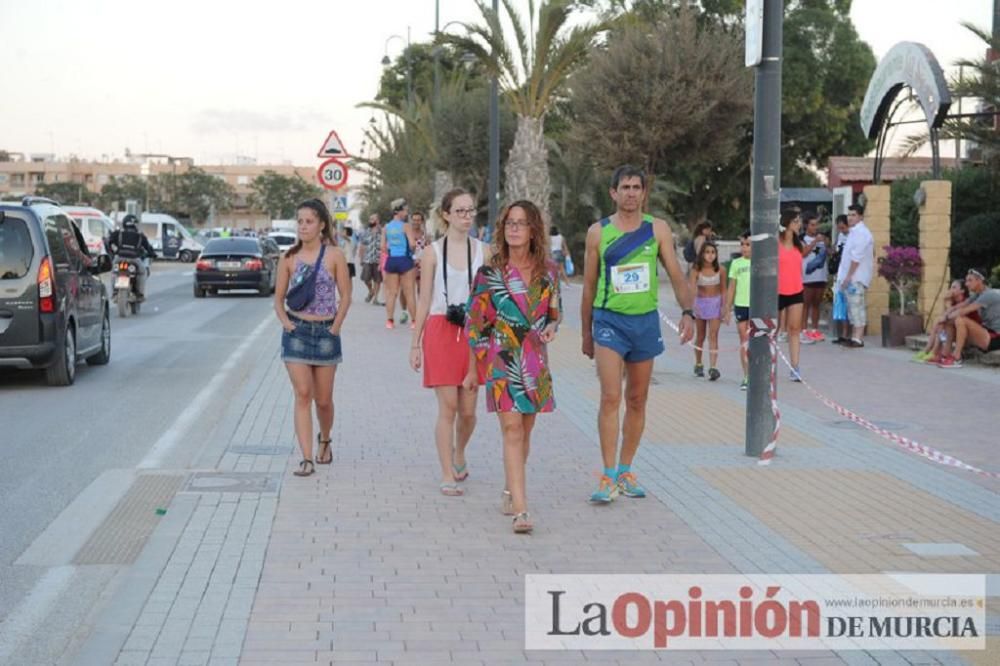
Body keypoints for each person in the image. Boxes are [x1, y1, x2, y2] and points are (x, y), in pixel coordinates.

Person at [581, 165, 694, 504]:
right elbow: (588, 286)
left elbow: (675, 273)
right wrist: (586, 333)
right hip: (608, 321)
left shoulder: (657, 230)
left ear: (644, 193)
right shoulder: (598, 233)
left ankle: (627, 469)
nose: (630, 193)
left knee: (637, 399)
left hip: (644, 322)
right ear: (613, 193)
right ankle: (607, 474)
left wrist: (688, 312)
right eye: (624, 187)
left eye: (636, 187)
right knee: (610, 396)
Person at [463, 199, 559, 534]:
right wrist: (474, 370)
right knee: (512, 430)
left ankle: (509, 488)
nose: (514, 228)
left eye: (521, 223)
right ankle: (521, 509)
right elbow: (475, 326)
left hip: (534, 360)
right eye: (509, 223)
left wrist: (551, 328)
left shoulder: (548, 271)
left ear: (534, 230)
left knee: (526, 431)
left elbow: (553, 315)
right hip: (501, 358)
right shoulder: (489, 274)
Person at [410, 189, 490, 496]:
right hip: (440, 328)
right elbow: (424, 299)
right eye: (460, 211)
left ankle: (459, 453)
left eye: (470, 211)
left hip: (473, 331)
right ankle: (446, 472)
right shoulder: (433, 253)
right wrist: (415, 343)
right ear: (446, 215)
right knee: (448, 407)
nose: (466, 216)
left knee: (469, 411)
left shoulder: (485, 251)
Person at [273, 199, 352, 477]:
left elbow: (346, 295)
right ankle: (306, 458)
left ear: (321, 225)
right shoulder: (288, 257)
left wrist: (336, 327)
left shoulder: (335, 255)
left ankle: (325, 438)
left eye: (309, 221)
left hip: (327, 334)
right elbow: (278, 298)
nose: (303, 226)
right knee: (303, 394)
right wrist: (286, 324)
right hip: (297, 333)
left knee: (324, 400)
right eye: (300, 221)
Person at [938, 269, 1000, 368]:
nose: (966, 284)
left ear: (979, 281)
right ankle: (945, 354)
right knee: (950, 321)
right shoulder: (977, 295)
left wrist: (944, 317)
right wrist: (945, 314)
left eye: (970, 280)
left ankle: (956, 358)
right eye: (966, 281)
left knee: (960, 319)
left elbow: (963, 311)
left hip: (996, 337)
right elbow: (957, 307)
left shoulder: (988, 295)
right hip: (986, 332)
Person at [836, 204, 875, 349]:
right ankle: (854, 336)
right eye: (849, 214)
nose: (850, 217)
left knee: (857, 306)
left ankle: (858, 338)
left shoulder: (863, 233)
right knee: (852, 308)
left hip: (855, 278)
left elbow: (856, 258)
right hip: (848, 277)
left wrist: (849, 276)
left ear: (860, 217)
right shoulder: (853, 232)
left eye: (853, 215)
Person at [689, 241, 728, 380]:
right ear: (702, 254)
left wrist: (725, 307)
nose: (710, 255)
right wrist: (691, 306)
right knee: (700, 335)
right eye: (707, 252)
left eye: (713, 252)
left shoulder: (721, 270)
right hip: (700, 303)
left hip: (715, 303)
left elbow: (724, 289)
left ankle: (713, 366)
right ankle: (698, 363)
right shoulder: (696, 269)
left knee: (713, 335)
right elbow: (692, 288)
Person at [913, 279, 975, 363]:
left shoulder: (965, 301)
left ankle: (933, 352)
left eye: (954, 287)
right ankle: (929, 351)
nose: (951, 290)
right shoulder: (953, 301)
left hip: (966, 334)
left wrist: (947, 304)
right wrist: (944, 302)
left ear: (962, 291)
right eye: (950, 287)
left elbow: (952, 317)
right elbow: (944, 315)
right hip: (953, 330)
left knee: (941, 322)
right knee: (940, 323)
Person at [778, 208, 808, 381]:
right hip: (777, 291)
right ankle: (768, 361)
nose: (799, 224)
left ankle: (795, 367)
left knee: (794, 329)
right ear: (788, 223)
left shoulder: (799, 244)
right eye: (796, 221)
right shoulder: (776, 242)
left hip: (796, 290)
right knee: (771, 328)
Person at [382, 198, 417, 329]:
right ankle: (414, 322)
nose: (407, 213)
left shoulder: (386, 227)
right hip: (405, 259)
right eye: (406, 210)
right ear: (399, 211)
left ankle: (389, 321)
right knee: (409, 292)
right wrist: (410, 251)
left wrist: (392, 251)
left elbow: (383, 247)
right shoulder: (406, 226)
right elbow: (413, 243)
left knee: (391, 293)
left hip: (392, 260)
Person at [106, 214, 157, 299]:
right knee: (142, 272)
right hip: (134, 259)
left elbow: (108, 242)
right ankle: (139, 294)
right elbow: (148, 248)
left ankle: (114, 292)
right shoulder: (140, 236)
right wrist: (153, 254)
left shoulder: (118, 233)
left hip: (119, 258)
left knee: (114, 272)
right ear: (135, 224)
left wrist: (112, 252)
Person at [725, 232, 752, 390]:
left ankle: (758, 375)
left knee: (756, 341)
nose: (744, 248)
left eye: (748, 244)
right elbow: (731, 287)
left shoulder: (760, 263)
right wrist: (727, 308)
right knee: (744, 341)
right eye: (742, 244)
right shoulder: (736, 263)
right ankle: (747, 376)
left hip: (757, 307)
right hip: (741, 305)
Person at [800, 212, 828, 342]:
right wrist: (815, 242)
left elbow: (830, 252)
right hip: (807, 277)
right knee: (805, 304)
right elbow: (803, 253)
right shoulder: (802, 239)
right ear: (806, 226)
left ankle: (815, 330)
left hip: (821, 276)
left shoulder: (822, 238)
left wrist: (827, 244)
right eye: (812, 225)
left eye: (816, 225)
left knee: (817, 304)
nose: (815, 227)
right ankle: (804, 330)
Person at [829, 215, 851, 344]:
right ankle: (842, 334)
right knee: (840, 305)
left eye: (843, 228)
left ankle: (850, 334)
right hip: (840, 272)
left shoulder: (854, 236)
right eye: (839, 228)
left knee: (850, 305)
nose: (841, 230)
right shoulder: (840, 236)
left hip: (850, 273)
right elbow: (835, 249)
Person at [358, 214, 383, 305]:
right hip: (367, 259)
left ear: (377, 221)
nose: (370, 221)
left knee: (378, 280)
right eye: (370, 219)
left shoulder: (382, 232)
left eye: (372, 219)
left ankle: (375, 298)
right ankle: (371, 291)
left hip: (378, 259)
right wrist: (361, 258)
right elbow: (362, 246)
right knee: (365, 279)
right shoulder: (366, 232)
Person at [410, 210, 432, 296]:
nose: (416, 222)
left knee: (421, 288)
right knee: (407, 289)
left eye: (418, 220)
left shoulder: (425, 235)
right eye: (414, 220)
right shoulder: (407, 234)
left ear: (422, 221)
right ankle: (404, 308)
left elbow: (429, 250)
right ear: (411, 220)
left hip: (421, 265)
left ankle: (420, 307)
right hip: (409, 264)